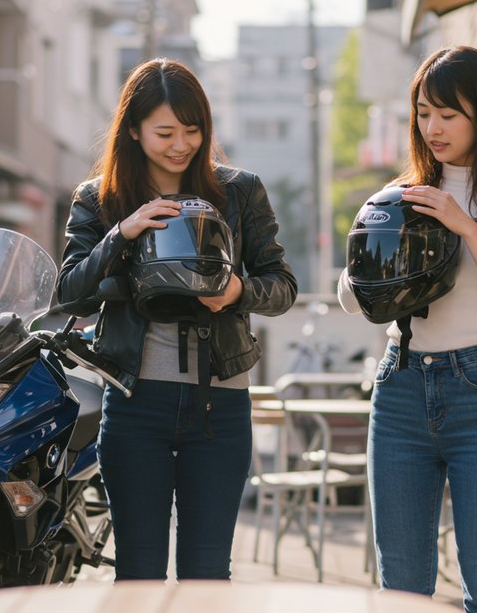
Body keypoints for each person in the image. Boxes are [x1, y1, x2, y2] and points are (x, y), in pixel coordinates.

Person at [56, 58, 297, 581]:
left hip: (220, 406)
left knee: (207, 576)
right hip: (135, 403)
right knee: (138, 574)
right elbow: (70, 294)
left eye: (193, 130)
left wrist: (237, 292)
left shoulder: (239, 191)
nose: (181, 144)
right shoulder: (98, 199)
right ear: (135, 129)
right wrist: (122, 232)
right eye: (165, 132)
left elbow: (282, 287)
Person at [338, 46, 477, 610]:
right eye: (424, 112)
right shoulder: (400, 196)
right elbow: (351, 300)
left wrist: (462, 225)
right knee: (401, 591)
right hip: (400, 387)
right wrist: (373, 241)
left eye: (448, 114)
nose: (433, 127)